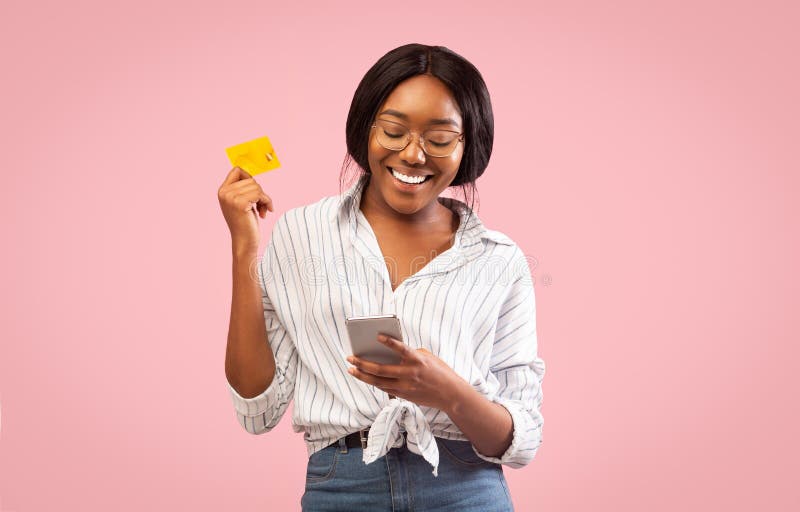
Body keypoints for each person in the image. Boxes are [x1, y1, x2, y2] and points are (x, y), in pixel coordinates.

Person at [218, 43, 545, 512]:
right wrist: (245, 246)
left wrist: (448, 392)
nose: (413, 155)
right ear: (366, 128)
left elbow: (522, 438)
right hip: (342, 485)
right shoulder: (301, 234)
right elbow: (258, 408)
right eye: (394, 131)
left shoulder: (499, 260)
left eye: (439, 138)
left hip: (464, 486)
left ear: (467, 147)